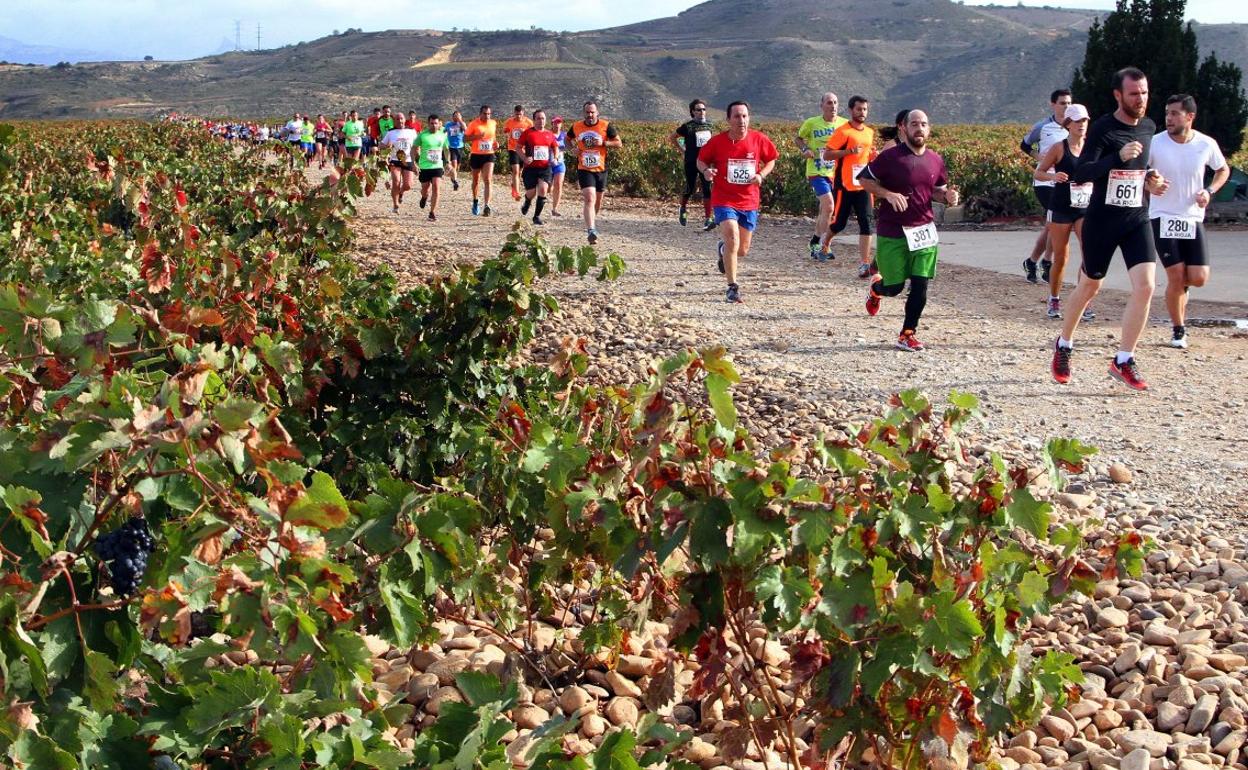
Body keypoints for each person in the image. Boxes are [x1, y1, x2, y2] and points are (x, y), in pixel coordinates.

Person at [1050, 67, 1169, 391]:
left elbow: (1140, 169)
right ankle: (1064, 344)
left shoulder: (1148, 126)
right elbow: (1082, 173)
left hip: (1136, 218)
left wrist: (1152, 180)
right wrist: (1116, 156)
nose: (1140, 99)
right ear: (1118, 95)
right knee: (1090, 286)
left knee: (1146, 286)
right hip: (1102, 220)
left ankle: (1124, 358)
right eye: (1134, 94)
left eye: (1144, 93)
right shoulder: (1103, 128)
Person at [857, 109, 960, 351]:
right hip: (893, 231)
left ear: (929, 129)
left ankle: (907, 334)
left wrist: (947, 196)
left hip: (924, 231)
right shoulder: (890, 157)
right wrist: (888, 194)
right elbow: (864, 180)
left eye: (923, 124)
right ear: (903, 128)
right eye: (914, 124)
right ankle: (877, 289)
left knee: (921, 285)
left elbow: (936, 190)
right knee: (894, 288)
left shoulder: (935, 159)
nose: (919, 128)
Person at [1148, 93, 1230, 349]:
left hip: (1192, 217)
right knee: (1175, 275)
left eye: (1175, 113)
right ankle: (1178, 330)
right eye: (1167, 113)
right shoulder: (1155, 143)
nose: (1169, 118)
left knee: (1197, 277)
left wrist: (1209, 191)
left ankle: (1181, 293)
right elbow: (1138, 171)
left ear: (1190, 116)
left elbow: (1223, 169)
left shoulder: (1206, 144)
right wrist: (1150, 183)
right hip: (1162, 216)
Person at [696, 100, 779, 304]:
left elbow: (771, 159)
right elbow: (701, 160)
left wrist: (761, 175)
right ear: (728, 119)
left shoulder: (759, 139)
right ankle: (732, 287)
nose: (741, 120)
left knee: (741, 250)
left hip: (749, 201)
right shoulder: (717, 142)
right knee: (732, 237)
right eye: (737, 116)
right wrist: (706, 171)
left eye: (744, 116)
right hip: (723, 198)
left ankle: (722, 250)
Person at [1033, 103, 1092, 319]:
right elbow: (1039, 173)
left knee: (1089, 254)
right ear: (1068, 124)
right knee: (1061, 257)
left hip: (1084, 207)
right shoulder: (1059, 148)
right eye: (1077, 121)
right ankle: (1054, 298)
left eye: (1084, 120)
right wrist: (1053, 176)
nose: (1081, 125)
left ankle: (1083, 301)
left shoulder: (1091, 147)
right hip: (1061, 207)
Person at [1020, 89, 1073, 284]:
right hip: (1044, 181)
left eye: (1069, 103)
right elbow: (1025, 145)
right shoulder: (1042, 126)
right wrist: (1040, 157)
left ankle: (1034, 261)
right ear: (1053, 105)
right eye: (1062, 103)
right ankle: (1046, 262)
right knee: (1054, 223)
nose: (1066, 107)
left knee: (1053, 225)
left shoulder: (1074, 126)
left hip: (1064, 182)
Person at [822, 95, 878, 278]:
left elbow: (866, 155)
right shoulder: (843, 132)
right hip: (844, 186)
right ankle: (825, 242)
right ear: (851, 110)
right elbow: (827, 155)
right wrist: (848, 151)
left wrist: (873, 156)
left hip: (864, 185)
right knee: (839, 223)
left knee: (867, 223)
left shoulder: (869, 132)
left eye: (865, 109)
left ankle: (864, 263)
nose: (862, 112)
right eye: (859, 109)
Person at [796, 93, 848, 260]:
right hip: (817, 172)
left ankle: (815, 242)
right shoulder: (811, 123)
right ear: (822, 106)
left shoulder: (844, 124)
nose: (833, 106)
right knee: (829, 206)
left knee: (825, 210)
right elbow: (798, 139)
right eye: (829, 103)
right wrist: (805, 149)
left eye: (835, 102)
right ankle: (823, 245)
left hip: (836, 172)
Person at [569, 101, 622, 244]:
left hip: (601, 169)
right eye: (587, 112)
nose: (590, 115)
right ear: (583, 113)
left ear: (597, 113)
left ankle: (592, 222)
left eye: (592, 112)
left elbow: (619, 143)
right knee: (589, 198)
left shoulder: (606, 126)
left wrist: (603, 143)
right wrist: (572, 149)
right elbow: (568, 140)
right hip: (584, 169)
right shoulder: (576, 126)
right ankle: (591, 230)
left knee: (597, 201)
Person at [670, 99, 716, 230]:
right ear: (693, 112)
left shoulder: (709, 125)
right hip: (691, 161)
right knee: (690, 188)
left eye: (704, 109)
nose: (702, 112)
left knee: (707, 188)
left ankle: (708, 218)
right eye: (698, 110)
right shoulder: (687, 126)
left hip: (705, 162)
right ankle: (683, 208)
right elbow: (672, 137)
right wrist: (682, 150)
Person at [518, 109, 560, 225]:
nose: (541, 121)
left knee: (543, 189)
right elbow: (518, 147)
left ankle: (536, 217)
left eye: (543, 118)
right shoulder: (528, 133)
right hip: (530, 168)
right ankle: (527, 202)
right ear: (534, 120)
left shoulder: (549, 134)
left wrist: (555, 158)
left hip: (545, 167)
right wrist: (524, 158)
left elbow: (555, 147)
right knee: (531, 192)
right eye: (538, 118)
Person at [380, 111, 418, 214]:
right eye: (397, 119)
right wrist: (387, 146)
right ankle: (395, 205)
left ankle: (401, 192)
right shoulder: (390, 132)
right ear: (394, 121)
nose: (400, 121)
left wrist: (416, 161)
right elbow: (381, 145)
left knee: (408, 185)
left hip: (407, 160)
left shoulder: (411, 131)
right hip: (395, 160)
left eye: (401, 118)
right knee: (396, 181)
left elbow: (416, 145)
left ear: (405, 120)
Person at [465, 105, 498, 216]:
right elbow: (465, 138)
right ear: (480, 114)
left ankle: (487, 205)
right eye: (485, 113)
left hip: (489, 154)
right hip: (476, 155)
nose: (487, 116)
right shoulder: (473, 124)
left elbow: (493, 137)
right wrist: (477, 136)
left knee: (488, 179)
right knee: (475, 181)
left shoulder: (493, 123)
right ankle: (475, 200)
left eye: (489, 114)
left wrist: (495, 143)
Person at [416, 114, 449, 221]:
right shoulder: (422, 135)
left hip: (437, 166)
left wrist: (448, 162)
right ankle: (424, 197)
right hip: (425, 166)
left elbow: (446, 149)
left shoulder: (442, 135)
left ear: (439, 124)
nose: (434, 125)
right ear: (428, 124)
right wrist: (414, 163)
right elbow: (414, 148)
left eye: (436, 123)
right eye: (432, 123)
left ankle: (432, 212)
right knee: (425, 188)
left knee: (436, 187)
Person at [504, 105, 534, 202]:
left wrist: (525, 132)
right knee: (516, 171)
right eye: (516, 114)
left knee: (520, 172)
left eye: (520, 114)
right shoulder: (509, 121)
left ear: (523, 113)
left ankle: (514, 185)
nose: (518, 116)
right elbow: (505, 131)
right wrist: (507, 134)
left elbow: (533, 134)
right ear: (514, 113)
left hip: (524, 149)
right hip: (513, 148)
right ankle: (517, 193)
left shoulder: (528, 122)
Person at [549, 116, 568, 217]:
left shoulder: (564, 135)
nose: (557, 124)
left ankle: (555, 208)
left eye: (559, 122)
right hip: (547, 163)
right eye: (555, 122)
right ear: (552, 124)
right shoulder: (547, 134)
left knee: (559, 184)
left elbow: (569, 146)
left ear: (561, 124)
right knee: (548, 187)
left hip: (559, 163)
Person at [445, 110, 467, 191]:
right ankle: (455, 182)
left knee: (457, 168)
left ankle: (453, 177)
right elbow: (443, 131)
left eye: (458, 116)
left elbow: (465, 129)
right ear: (452, 117)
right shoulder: (448, 124)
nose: (456, 117)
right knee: (454, 165)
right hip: (451, 147)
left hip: (460, 147)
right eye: (455, 116)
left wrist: (460, 120)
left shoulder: (462, 124)